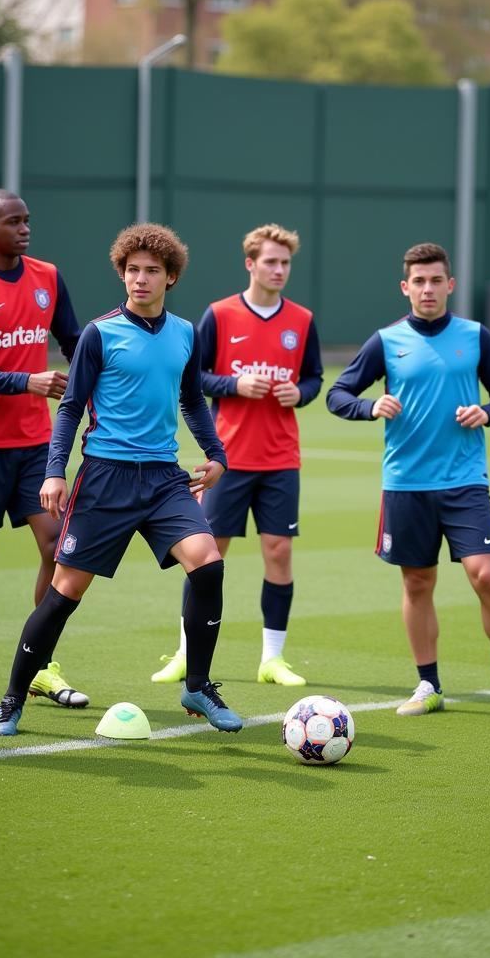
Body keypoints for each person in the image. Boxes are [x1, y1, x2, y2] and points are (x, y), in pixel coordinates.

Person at [0, 223, 244, 736]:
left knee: (208, 564)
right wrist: (55, 471)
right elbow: (70, 407)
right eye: (132, 271)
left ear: (171, 277)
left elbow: (192, 401)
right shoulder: (99, 334)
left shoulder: (186, 333)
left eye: (152, 271)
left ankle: (197, 684)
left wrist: (216, 455)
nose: (140, 280)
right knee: (64, 592)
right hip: (104, 478)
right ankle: (13, 697)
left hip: (164, 479)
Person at [327, 242, 490, 718]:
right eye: (418, 281)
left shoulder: (475, 335)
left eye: (436, 280)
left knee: (484, 574)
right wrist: (370, 406)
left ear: (451, 284)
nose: (428, 289)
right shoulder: (386, 341)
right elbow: (337, 394)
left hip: (465, 481)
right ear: (406, 287)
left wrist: (486, 412)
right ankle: (428, 685)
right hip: (405, 483)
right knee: (418, 582)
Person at [151, 223, 323, 688]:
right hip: (227, 458)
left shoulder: (302, 320)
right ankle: (186, 655)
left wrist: (299, 392)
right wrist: (233, 385)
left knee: (279, 553)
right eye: (270, 261)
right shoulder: (220, 315)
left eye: (285, 262)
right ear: (251, 264)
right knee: (206, 556)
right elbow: (195, 378)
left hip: (280, 458)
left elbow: (314, 378)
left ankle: (273, 659)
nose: (279, 269)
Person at [0, 189, 87, 711]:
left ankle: (41, 667)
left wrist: (99, 383)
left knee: (56, 546)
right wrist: (24, 381)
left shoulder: (47, 277)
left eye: (27, 220)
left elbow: (74, 341)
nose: (25, 229)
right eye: (13, 221)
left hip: (36, 446)